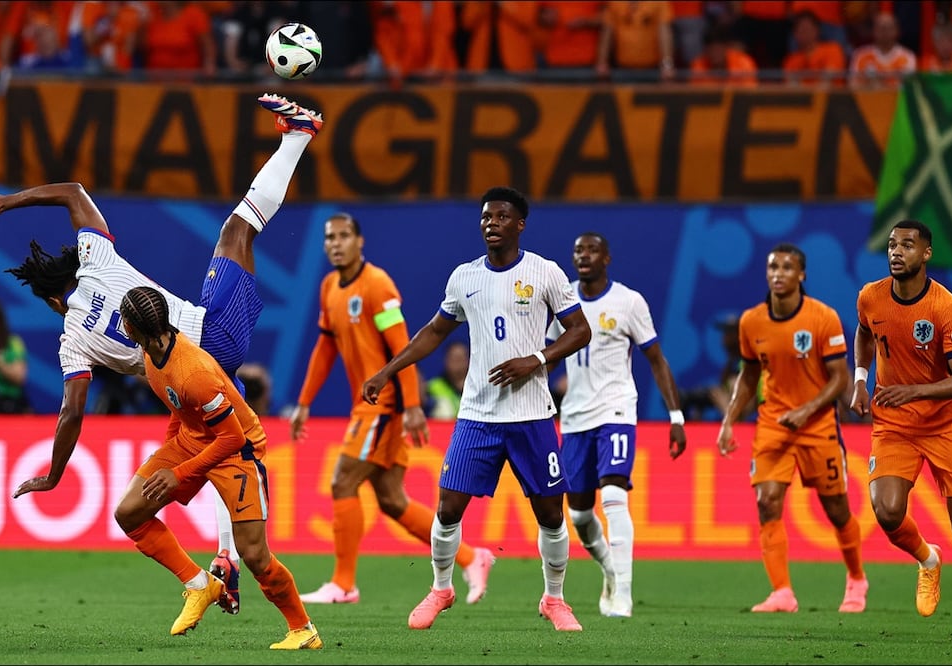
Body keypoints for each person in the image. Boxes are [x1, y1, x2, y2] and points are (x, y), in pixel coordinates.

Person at [0, 93, 323, 617]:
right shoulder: (95, 256)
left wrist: (57, 472)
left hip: (195, 362)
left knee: (207, 445)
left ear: (52, 299)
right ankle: (223, 564)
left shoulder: (72, 340)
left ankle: (213, 567)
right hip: (210, 345)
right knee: (237, 230)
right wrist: (3, 201)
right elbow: (73, 191)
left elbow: (71, 413)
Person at [362, 186, 593, 632]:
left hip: (532, 416)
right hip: (478, 417)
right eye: (486, 217)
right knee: (448, 508)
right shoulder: (464, 277)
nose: (492, 223)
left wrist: (538, 359)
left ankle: (554, 600)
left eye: (502, 217)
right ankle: (441, 589)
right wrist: (386, 371)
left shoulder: (544, 273)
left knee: (550, 514)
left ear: (519, 224)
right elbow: (433, 331)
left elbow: (580, 330)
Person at [291, 213, 495, 605]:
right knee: (391, 500)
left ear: (359, 241)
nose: (335, 243)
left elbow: (403, 344)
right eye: (329, 237)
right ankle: (473, 558)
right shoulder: (329, 286)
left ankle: (344, 583)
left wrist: (413, 405)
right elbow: (325, 348)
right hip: (365, 405)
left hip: (384, 404)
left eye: (343, 236)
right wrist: (303, 403)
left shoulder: (378, 286)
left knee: (342, 482)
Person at [114, 286, 321, 648]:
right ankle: (200, 585)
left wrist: (177, 474)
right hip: (193, 437)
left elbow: (232, 437)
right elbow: (180, 410)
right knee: (130, 512)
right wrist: (168, 455)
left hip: (237, 450)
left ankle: (303, 628)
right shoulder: (151, 356)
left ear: (131, 327)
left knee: (255, 555)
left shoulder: (193, 372)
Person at [850, 220, 952, 639]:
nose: (896, 251)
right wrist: (860, 377)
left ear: (926, 254)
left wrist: (913, 391)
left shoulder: (944, 307)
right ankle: (928, 558)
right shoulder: (870, 297)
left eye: (907, 245)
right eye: (892, 244)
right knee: (887, 511)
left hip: (945, 424)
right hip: (894, 424)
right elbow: (863, 333)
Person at [717, 242, 869, 614]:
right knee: (767, 500)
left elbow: (839, 379)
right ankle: (782, 592)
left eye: (787, 267)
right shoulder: (751, 321)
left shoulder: (822, 318)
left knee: (835, 509)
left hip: (817, 425)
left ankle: (856, 578)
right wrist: (729, 420)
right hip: (773, 423)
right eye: (773, 267)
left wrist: (808, 410)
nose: (778, 273)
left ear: (801, 275)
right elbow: (748, 374)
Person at [545, 232, 687, 619]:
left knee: (614, 496)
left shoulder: (628, 301)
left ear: (606, 258)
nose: (584, 256)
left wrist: (676, 417)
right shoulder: (563, 301)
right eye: (578, 250)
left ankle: (623, 591)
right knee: (578, 514)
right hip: (574, 418)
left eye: (592, 250)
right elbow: (550, 358)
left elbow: (656, 359)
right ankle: (609, 569)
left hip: (616, 412)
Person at [425, 340, 470, 420]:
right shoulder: (433, 387)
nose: (457, 363)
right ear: (446, 360)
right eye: (454, 358)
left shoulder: (476, 387)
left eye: (460, 358)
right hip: (443, 429)